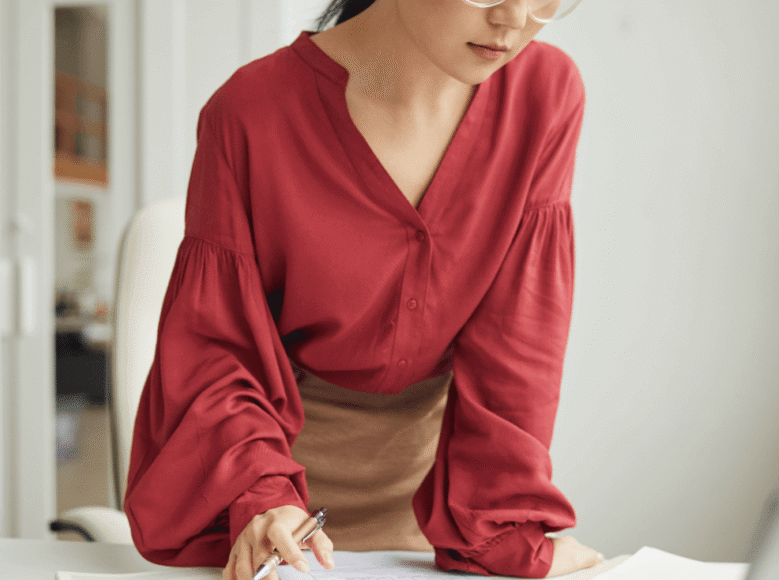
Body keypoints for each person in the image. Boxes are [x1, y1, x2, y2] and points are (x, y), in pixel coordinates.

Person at [123, 0, 603, 578]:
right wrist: (262, 496)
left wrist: (499, 525)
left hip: (446, 520)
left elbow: (520, 333)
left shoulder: (544, 93)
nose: (515, 17)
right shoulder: (250, 111)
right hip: (264, 511)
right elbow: (216, 348)